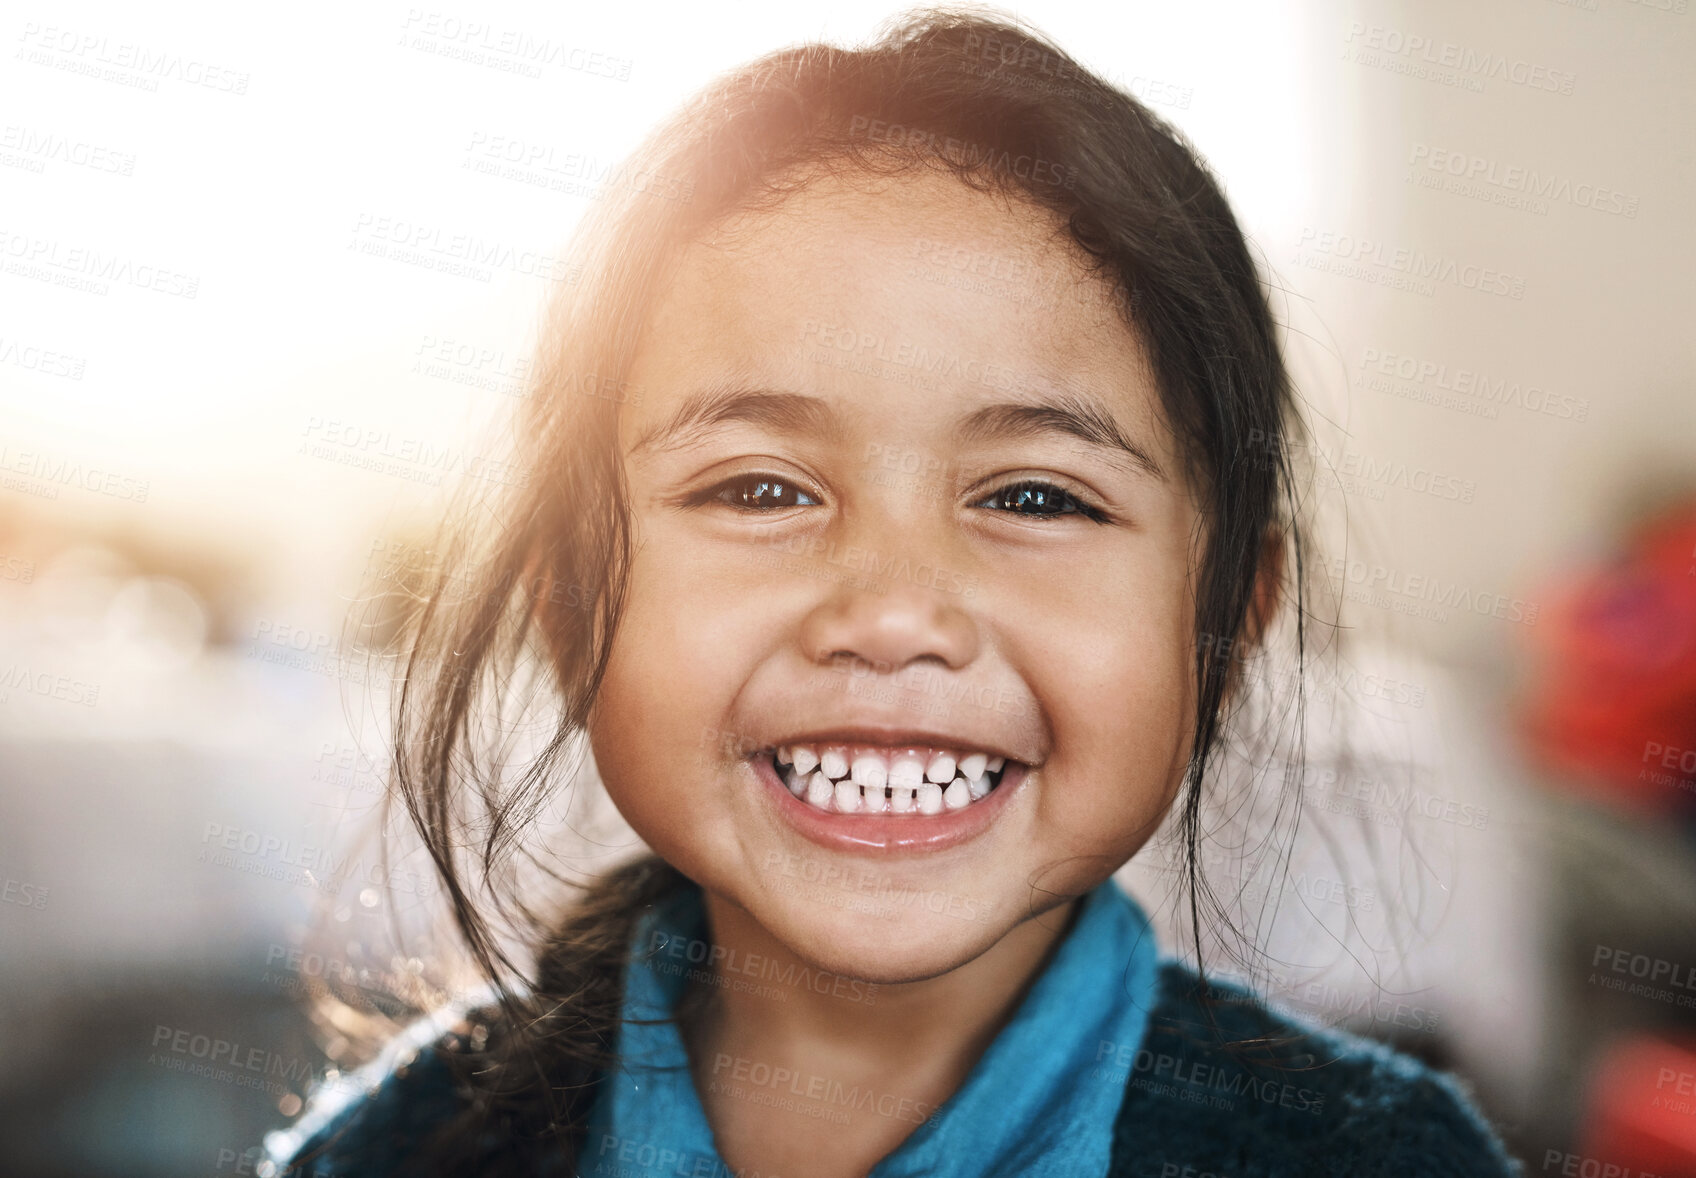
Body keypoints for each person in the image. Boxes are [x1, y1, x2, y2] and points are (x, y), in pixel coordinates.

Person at [263, 9, 1522, 1176]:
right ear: (571, 599)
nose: (890, 613)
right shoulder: (396, 1150)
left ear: (1228, 624)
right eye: (760, 489)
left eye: (1035, 497)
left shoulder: (1383, 1155)